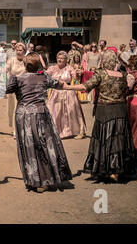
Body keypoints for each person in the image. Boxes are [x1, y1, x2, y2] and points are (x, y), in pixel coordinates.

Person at [63, 50, 137, 182]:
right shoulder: (122, 74)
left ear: (103, 61)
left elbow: (85, 86)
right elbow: (127, 90)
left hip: (105, 112)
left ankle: (108, 169)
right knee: (118, 141)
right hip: (120, 111)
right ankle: (117, 170)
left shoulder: (101, 74)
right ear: (115, 62)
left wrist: (66, 87)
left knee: (106, 140)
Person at [6, 53, 73, 193]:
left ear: (25, 65)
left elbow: (5, 89)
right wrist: (77, 87)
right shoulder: (44, 77)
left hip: (24, 116)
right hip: (41, 114)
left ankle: (37, 181)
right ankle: (49, 178)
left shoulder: (17, 79)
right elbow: (59, 84)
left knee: (29, 147)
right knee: (45, 145)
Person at [46, 51, 86, 139]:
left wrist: (78, 74)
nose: (59, 60)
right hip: (56, 92)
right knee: (54, 112)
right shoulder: (52, 68)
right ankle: (55, 131)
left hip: (68, 91)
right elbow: (46, 76)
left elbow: (75, 77)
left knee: (71, 111)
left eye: (62, 58)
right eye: (58, 58)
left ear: (66, 60)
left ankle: (79, 131)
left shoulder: (69, 68)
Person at [6, 43, 27, 138]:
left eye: (20, 50)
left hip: (25, 88)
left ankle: (22, 129)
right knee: (14, 109)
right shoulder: (11, 60)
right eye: (17, 50)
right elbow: (6, 69)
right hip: (14, 88)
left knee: (24, 110)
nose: (18, 52)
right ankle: (15, 130)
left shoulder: (27, 61)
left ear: (24, 51)